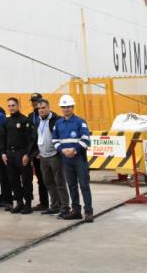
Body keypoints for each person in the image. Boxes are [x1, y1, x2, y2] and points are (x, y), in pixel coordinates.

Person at [52, 94, 94, 222]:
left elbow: (86, 139)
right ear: (61, 108)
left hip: (79, 159)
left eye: (68, 106)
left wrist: (75, 150)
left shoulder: (80, 122)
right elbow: (54, 139)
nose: (66, 109)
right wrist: (62, 150)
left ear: (73, 107)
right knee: (71, 186)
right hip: (66, 159)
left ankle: (88, 212)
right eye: (64, 107)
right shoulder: (58, 123)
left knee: (84, 185)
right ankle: (76, 211)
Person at [34, 98, 69, 216]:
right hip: (43, 157)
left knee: (60, 182)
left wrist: (60, 151)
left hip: (55, 156)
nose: (41, 110)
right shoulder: (38, 121)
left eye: (43, 108)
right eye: (39, 108)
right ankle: (54, 206)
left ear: (49, 108)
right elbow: (38, 137)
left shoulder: (57, 120)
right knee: (48, 182)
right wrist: (37, 151)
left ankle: (65, 207)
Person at [1, 97, 35, 214]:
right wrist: (3, 153)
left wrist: (28, 155)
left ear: (18, 105)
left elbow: (31, 139)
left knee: (26, 180)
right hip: (10, 155)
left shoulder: (25, 120)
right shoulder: (6, 121)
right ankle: (19, 203)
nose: (11, 108)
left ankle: (28, 204)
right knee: (13, 180)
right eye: (9, 106)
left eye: (13, 105)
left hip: (22, 154)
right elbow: (3, 138)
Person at [27, 93, 48, 210]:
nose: (35, 103)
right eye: (33, 101)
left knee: (50, 180)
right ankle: (44, 203)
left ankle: (58, 203)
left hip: (47, 152)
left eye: (37, 100)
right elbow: (30, 136)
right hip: (36, 153)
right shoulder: (30, 116)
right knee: (40, 179)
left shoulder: (47, 115)